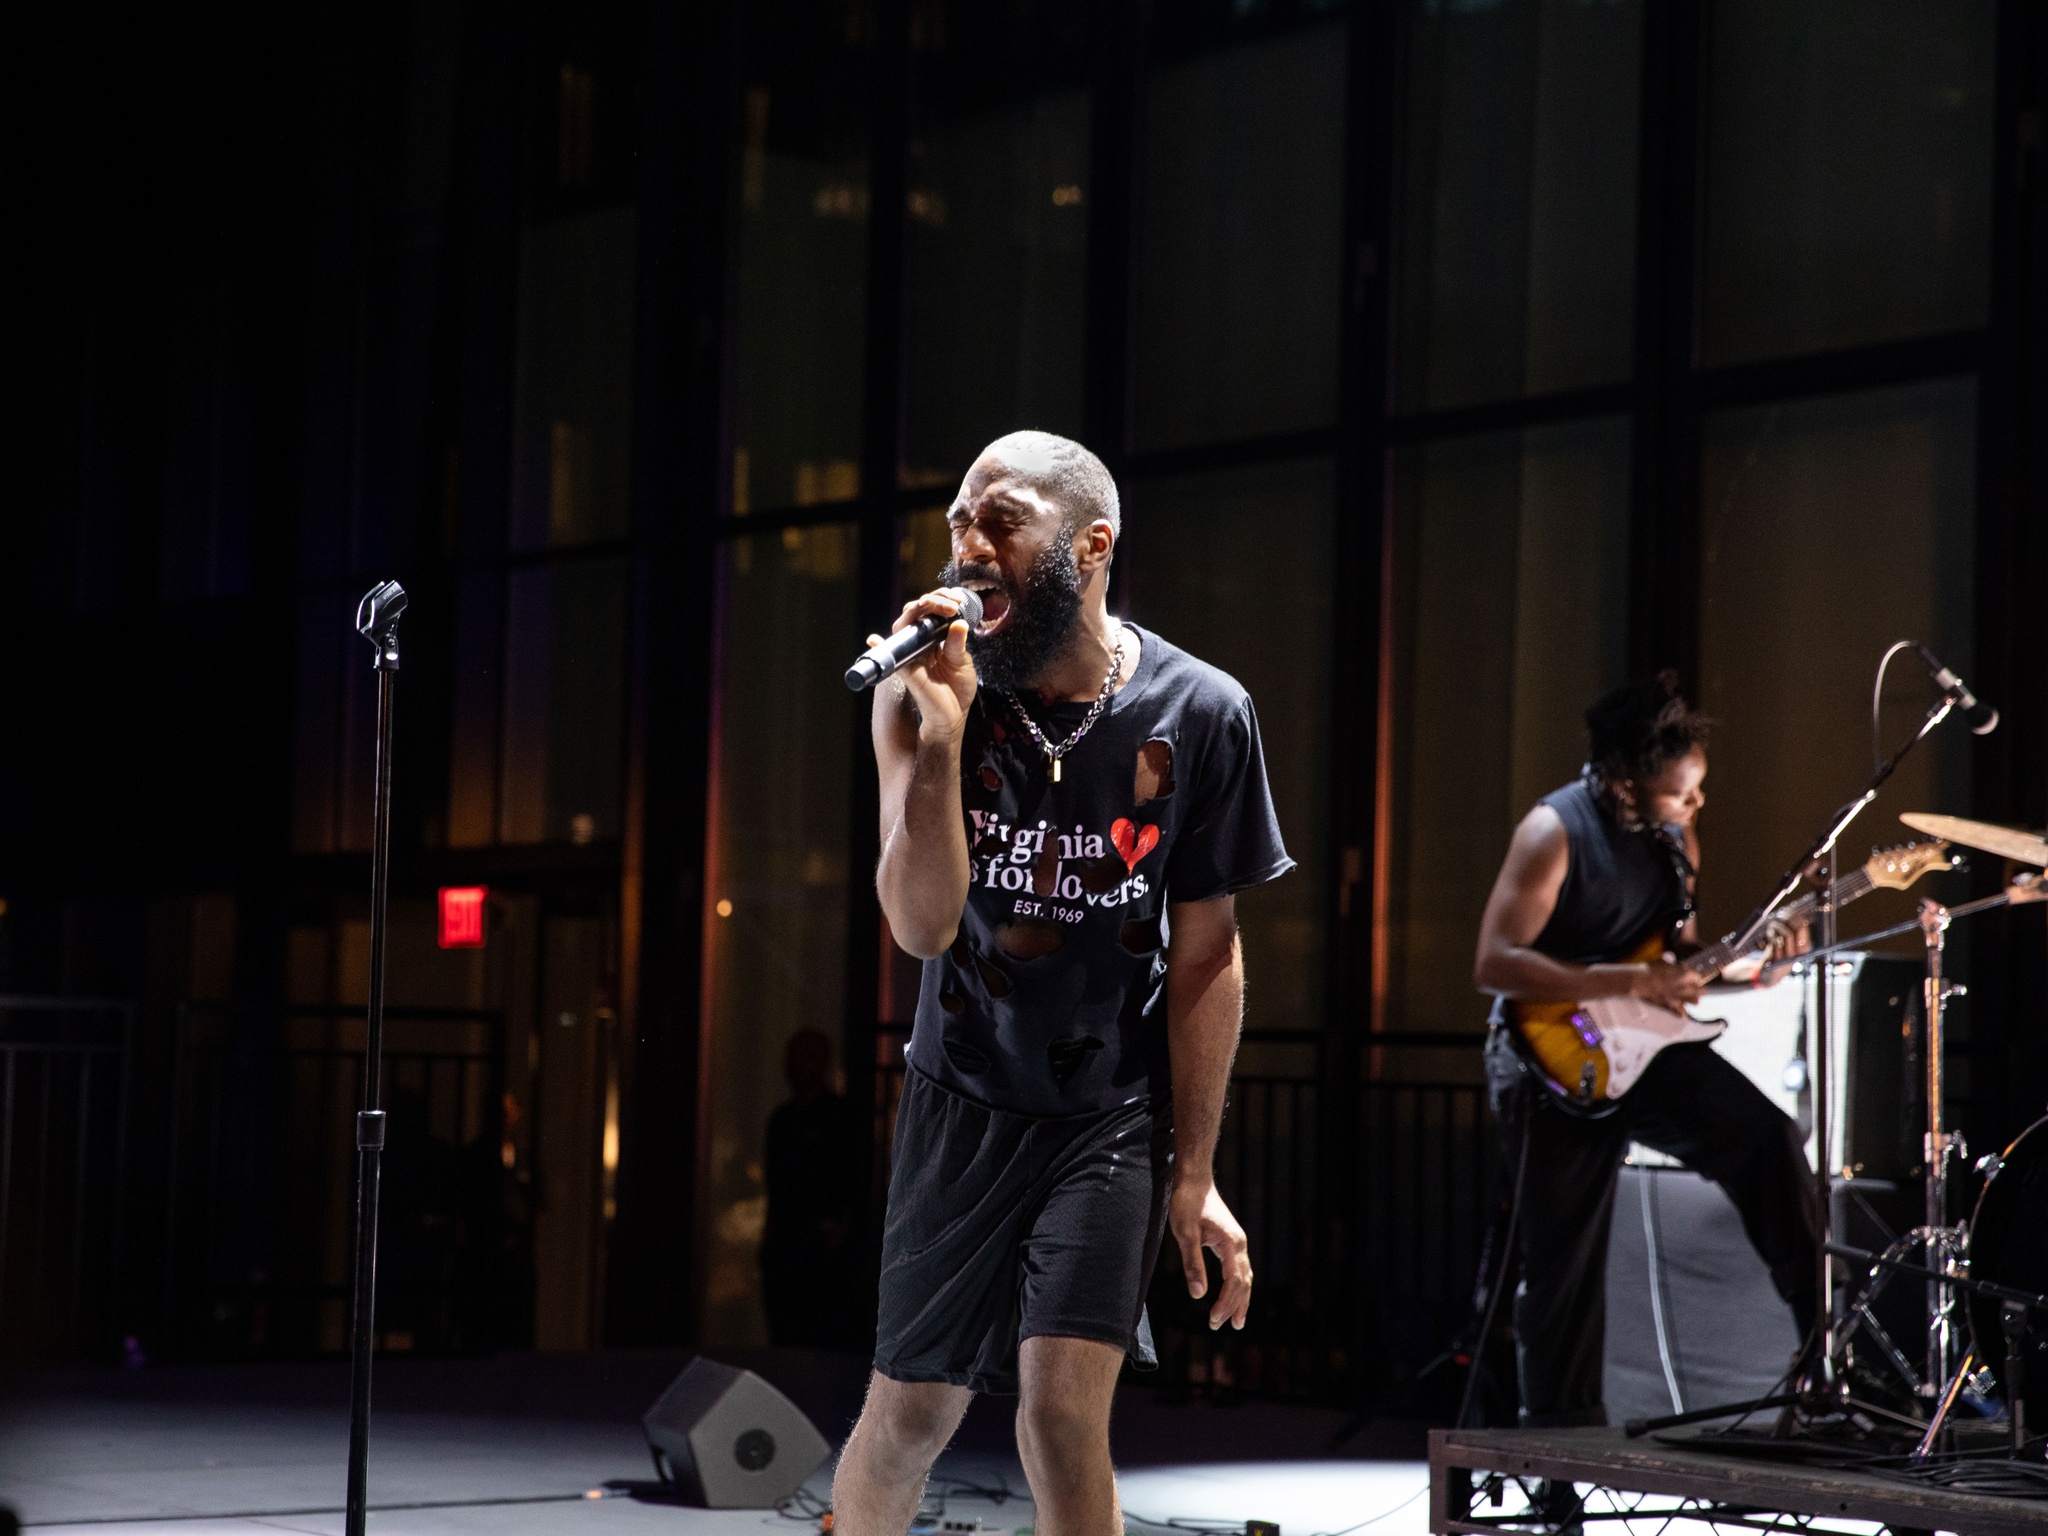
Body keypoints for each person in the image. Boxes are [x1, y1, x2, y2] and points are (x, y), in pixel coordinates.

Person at [831, 431, 1293, 1535]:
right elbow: (922, 924)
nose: (969, 548)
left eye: (1002, 520)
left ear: (1090, 545)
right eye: (957, 523)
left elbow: (1208, 952)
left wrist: (1196, 1171)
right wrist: (941, 741)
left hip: (1106, 1117)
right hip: (962, 1098)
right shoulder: (916, 695)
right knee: (906, 1419)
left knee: (1057, 1420)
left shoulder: (1202, 713)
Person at [1472, 673, 1818, 1428]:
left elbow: (1679, 956)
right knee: (1563, 1269)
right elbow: (1494, 963)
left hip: (1645, 1047)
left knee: (1766, 1140)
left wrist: (1761, 965)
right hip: (1547, 1060)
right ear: (1627, 781)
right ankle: (1559, 1463)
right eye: (1682, 793)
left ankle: (1823, 1356)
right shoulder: (1553, 830)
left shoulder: (1673, 840)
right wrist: (1624, 977)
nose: (1697, 806)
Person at [760, 1028, 863, 1349]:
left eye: (805, 1056)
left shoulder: (839, 1118)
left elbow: (850, 1181)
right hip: (786, 1246)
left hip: (821, 1250)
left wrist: (837, 1232)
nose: (795, 1064)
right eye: (793, 1055)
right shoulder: (782, 1120)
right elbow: (776, 1187)